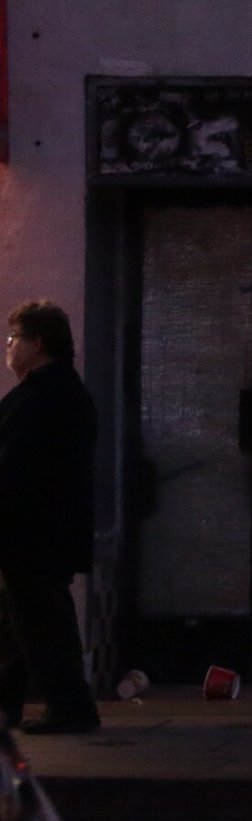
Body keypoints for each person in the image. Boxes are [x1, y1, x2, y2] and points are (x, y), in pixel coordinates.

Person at [0, 301, 99, 735]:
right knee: (17, 625)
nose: (8, 344)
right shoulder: (56, 392)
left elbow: (17, 469)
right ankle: (10, 707)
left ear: (38, 343)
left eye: (15, 336)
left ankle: (69, 707)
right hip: (39, 533)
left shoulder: (45, 397)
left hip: (33, 534)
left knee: (40, 623)